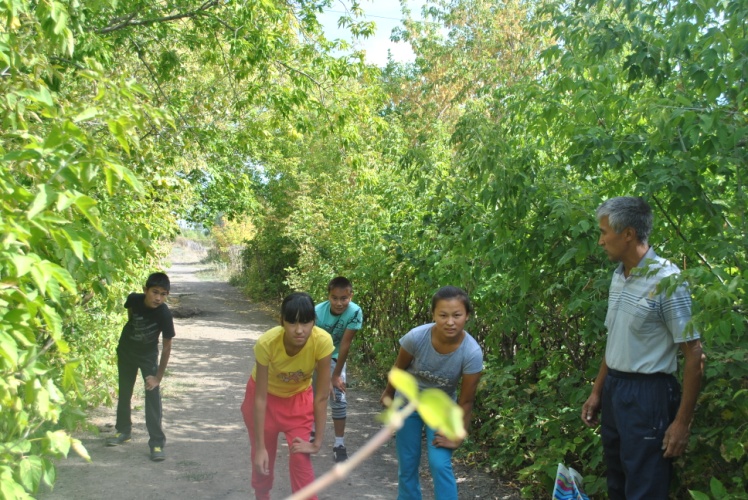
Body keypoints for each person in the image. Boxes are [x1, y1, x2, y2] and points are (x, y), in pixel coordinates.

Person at [582, 196, 705, 499]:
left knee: (645, 487)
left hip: (649, 396)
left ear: (628, 234)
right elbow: (617, 338)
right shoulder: (619, 276)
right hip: (616, 391)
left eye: (604, 232)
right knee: (618, 483)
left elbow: (695, 355)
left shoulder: (667, 281)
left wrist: (681, 423)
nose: (600, 241)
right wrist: (598, 391)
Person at [380, 286, 483, 500]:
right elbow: (398, 369)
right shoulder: (416, 338)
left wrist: (459, 435)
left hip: (441, 408)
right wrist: (388, 394)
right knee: (408, 463)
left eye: (457, 315)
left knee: (440, 464)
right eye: (443, 315)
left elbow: (466, 400)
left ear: (467, 316)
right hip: (408, 403)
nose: (450, 321)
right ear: (433, 315)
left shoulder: (471, 352)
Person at [241, 292, 333, 500]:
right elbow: (260, 398)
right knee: (262, 461)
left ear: (314, 322)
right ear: (281, 320)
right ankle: (262, 495)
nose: (299, 330)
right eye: (292, 322)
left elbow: (321, 396)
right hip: (263, 400)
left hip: (298, 401)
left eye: (305, 322)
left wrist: (317, 442)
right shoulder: (267, 343)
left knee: (301, 459)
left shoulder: (322, 342)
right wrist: (260, 447)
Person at [106, 272, 175, 462]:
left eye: (163, 294)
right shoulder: (133, 300)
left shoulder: (164, 313)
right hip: (126, 352)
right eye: (154, 292)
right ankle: (123, 431)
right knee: (125, 392)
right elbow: (131, 318)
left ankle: (157, 443)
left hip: (148, 357)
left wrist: (158, 377)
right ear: (145, 290)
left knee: (152, 396)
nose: (158, 298)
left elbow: (167, 346)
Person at [313, 276, 363, 462]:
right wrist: (323, 376)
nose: (339, 303)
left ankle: (339, 443)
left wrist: (335, 376)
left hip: (335, 356)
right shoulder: (316, 312)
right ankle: (310, 429)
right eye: (334, 298)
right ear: (328, 296)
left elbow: (345, 344)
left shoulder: (355, 312)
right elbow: (312, 343)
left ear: (351, 295)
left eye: (344, 298)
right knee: (312, 394)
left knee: (338, 397)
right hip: (314, 355)